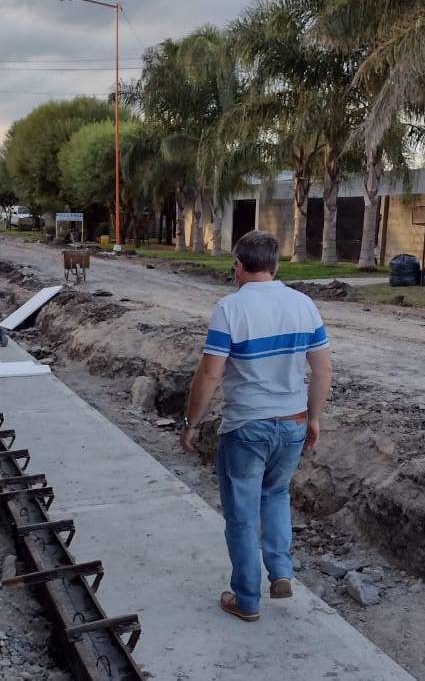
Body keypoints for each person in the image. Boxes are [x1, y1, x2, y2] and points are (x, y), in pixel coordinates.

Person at [179, 230, 332, 622]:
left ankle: (246, 599)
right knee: (276, 493)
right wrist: (312, 417)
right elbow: (322, 368)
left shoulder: (230, 309)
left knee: (243, 515)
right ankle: (280, 571)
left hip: (247, 427)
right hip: (292, 423)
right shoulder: (303, 305)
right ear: (276, 265)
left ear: (238, 267)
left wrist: (191, 423)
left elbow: (210, 374)